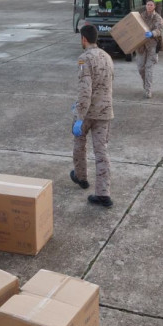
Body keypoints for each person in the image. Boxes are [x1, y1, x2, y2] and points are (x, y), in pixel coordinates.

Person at [69, 24, 114, 207]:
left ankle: (81, 177)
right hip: (105, 111)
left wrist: (79, 116)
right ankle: (103, 194)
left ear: (84, 39)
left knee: (79, 144)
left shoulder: (84, 59)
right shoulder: (107, 56)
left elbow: (85, 91)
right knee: (101, 151)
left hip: (88, 112)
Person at [135, 0, 163, 99]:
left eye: (151, 5)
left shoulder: (157, 18)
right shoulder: (141, 16)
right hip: (141, 45)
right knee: (140, 68)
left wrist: (152, 33)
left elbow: (159, 30)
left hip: (152, 45)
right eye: (148, 4)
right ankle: (145, 84)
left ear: (154, 6)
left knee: (148, 68)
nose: (149, 6)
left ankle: (148, 90)